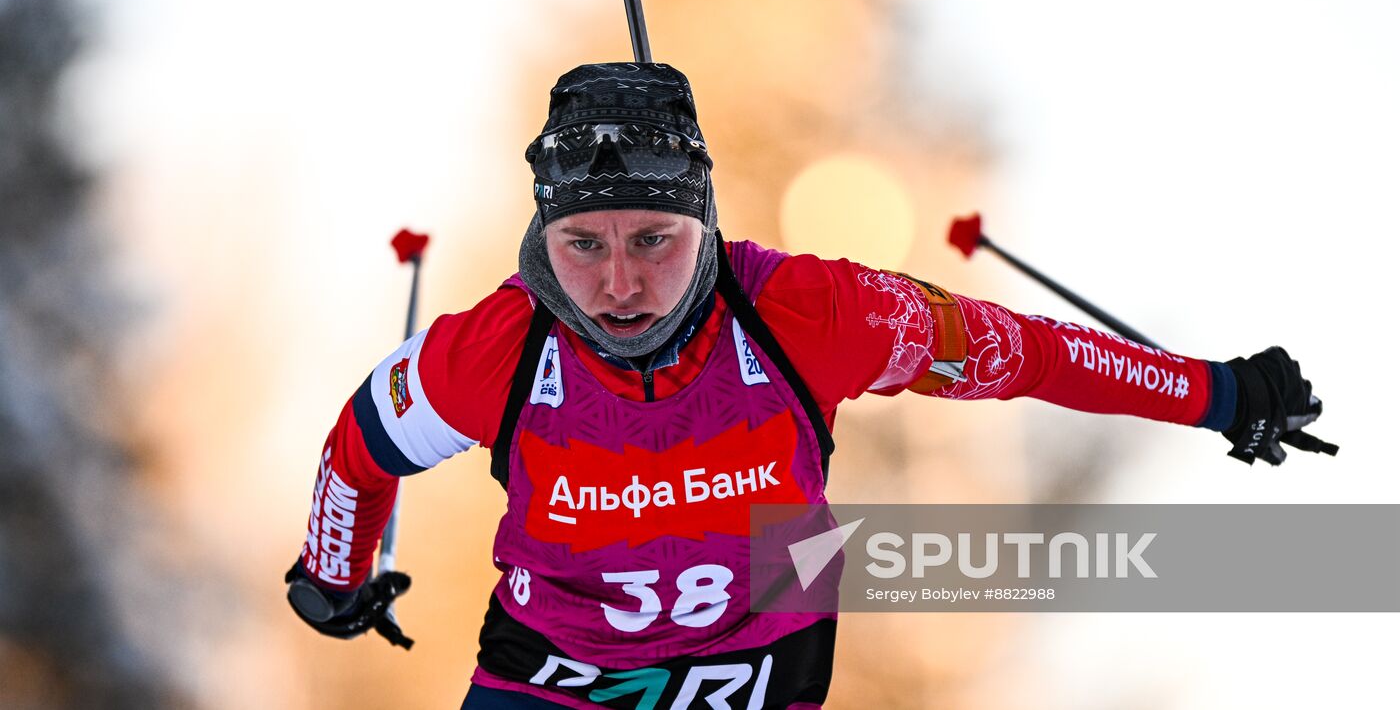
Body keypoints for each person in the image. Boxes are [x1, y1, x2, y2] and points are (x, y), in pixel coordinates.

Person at [285, 62, 1328, 709]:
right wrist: (332, 581)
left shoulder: (812, 313)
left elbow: (1023, 351)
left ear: (705, 223)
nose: (617, 283)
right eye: (580, 244)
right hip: (551, 676)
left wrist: (1216, 394)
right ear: (538, 241)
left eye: (654, 238)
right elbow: (358, 447)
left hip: (756, 668)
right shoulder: (491, 350)